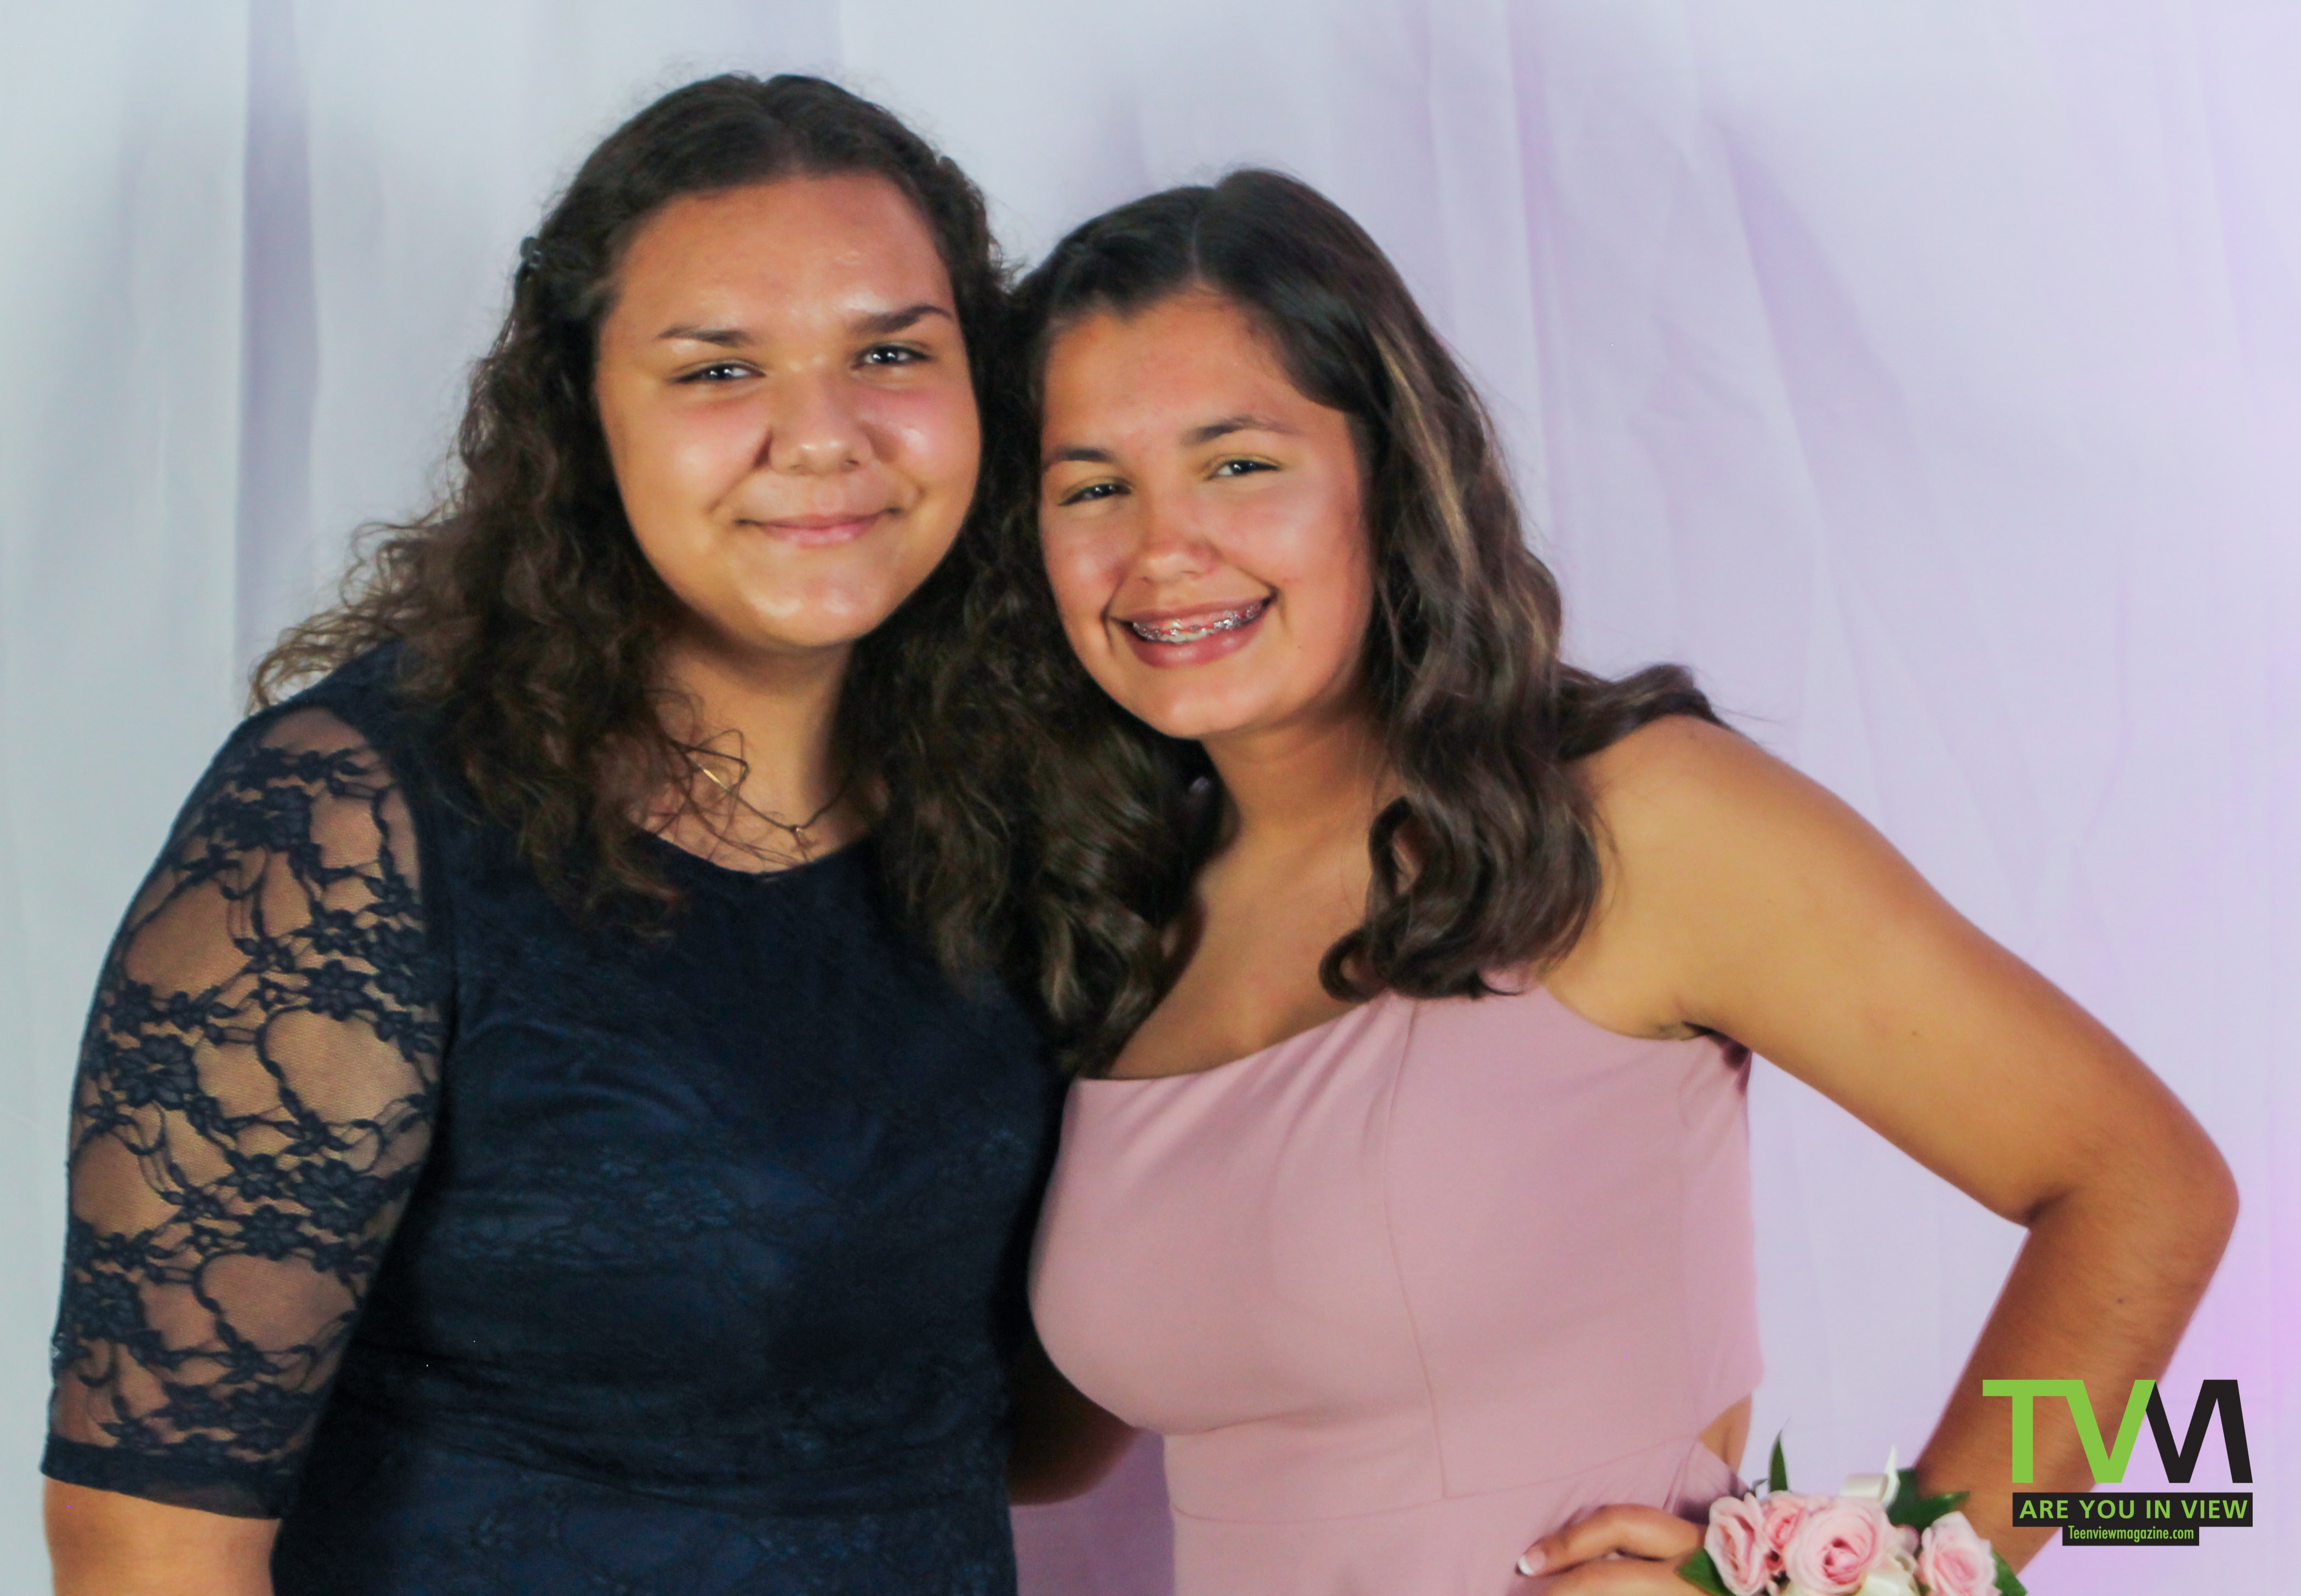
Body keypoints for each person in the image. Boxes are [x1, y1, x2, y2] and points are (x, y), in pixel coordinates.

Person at [998, 170, 2237, 1594]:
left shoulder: (1633, 824)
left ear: (1386, 477)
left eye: (1238, 465)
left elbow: (2149, 1190)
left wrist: (1886, 1577)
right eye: (1093, 486)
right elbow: (1051, 1446)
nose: (1162, 548)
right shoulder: (1122, 914)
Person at [42, 74, 1058, 1596]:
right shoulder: (348, 828)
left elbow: (1054, 1405)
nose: (823, 435)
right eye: (720, 370)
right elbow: (144, 1550)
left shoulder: (1039, 790)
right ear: (583, 416)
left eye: (892, 352)